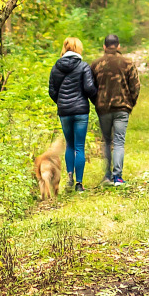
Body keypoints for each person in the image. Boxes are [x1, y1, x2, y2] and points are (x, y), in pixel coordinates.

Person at [90, 34, 140, 186]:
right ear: (118, 46)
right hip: (122, 108)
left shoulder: (96, 64)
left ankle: (107, 176)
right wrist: (130, 103)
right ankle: (117, 177)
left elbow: (90, 88)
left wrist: (97, 102)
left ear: (104, 47)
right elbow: (135, 86)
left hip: (103, 109)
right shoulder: (127, 62)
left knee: (106, 141)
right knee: (119, 141)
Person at [49, 37, 97, 192]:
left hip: (64, 112)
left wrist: (61, 102)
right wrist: (96, 100)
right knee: (79, 147)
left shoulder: (56, 67)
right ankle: (79, 184)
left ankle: (70, 178)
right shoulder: (83, 66)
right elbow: (89, 88)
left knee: (69, 144)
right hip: (81, 111)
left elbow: (52, 91)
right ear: (78, 49)